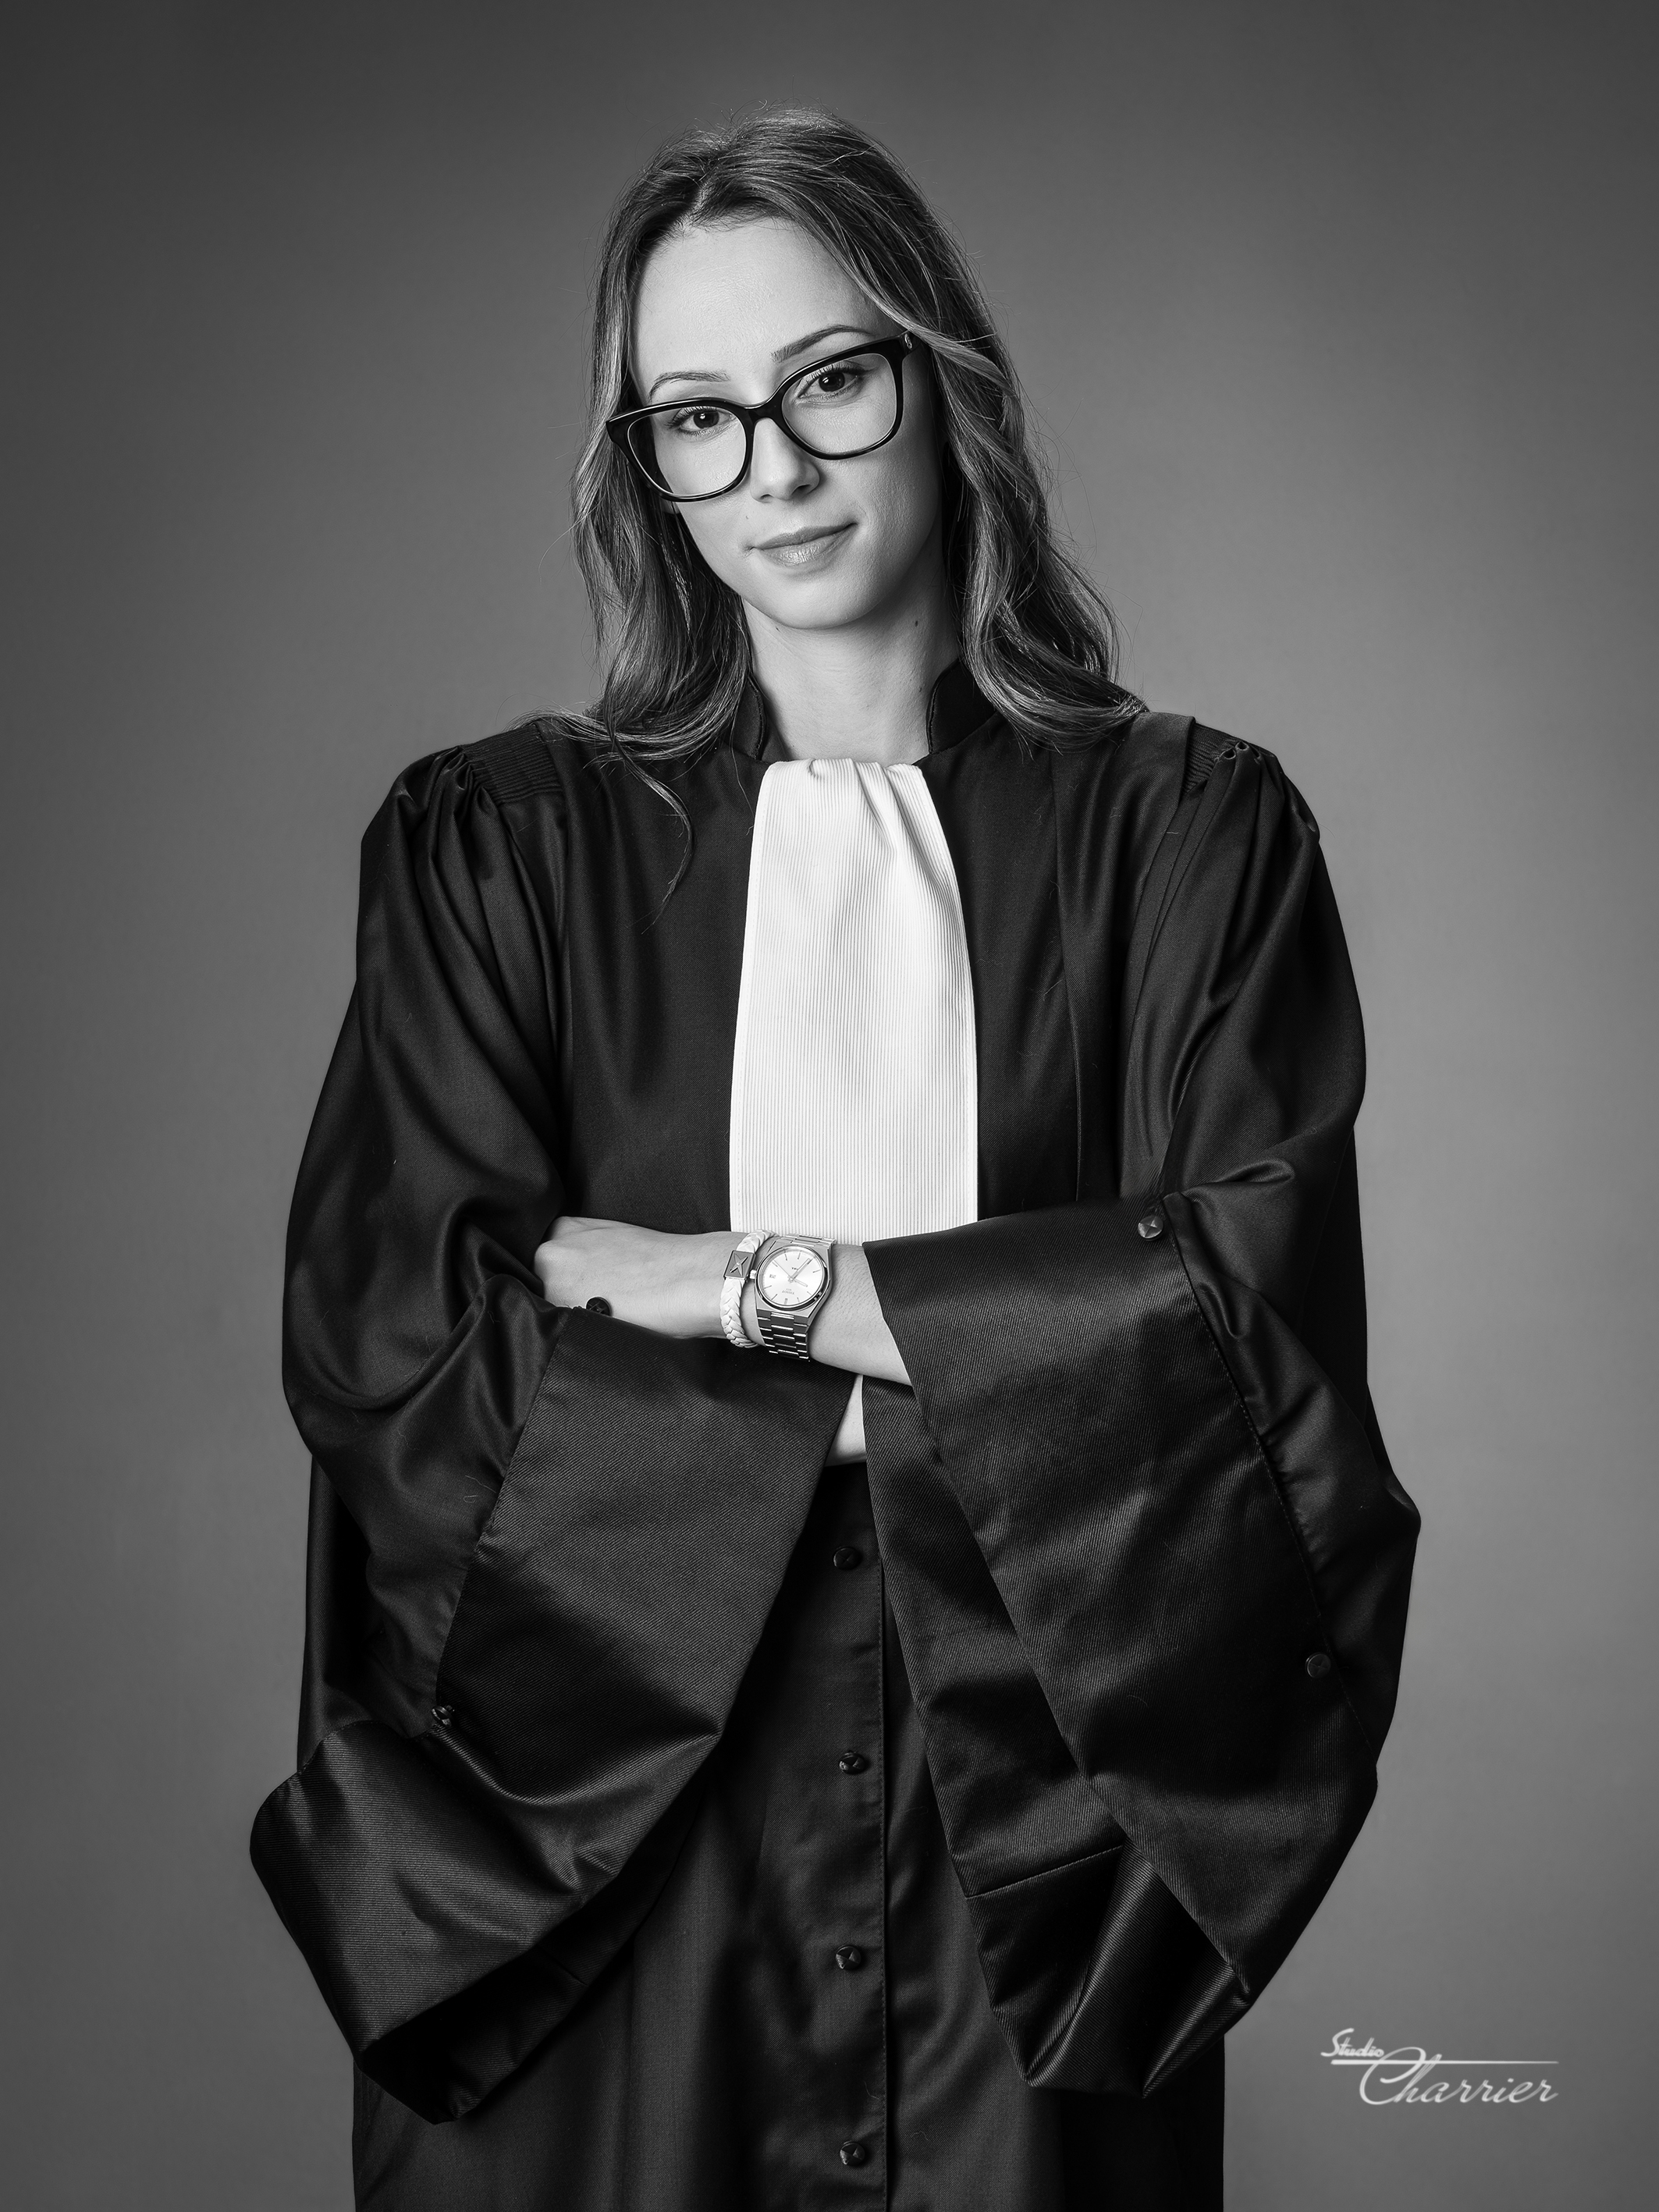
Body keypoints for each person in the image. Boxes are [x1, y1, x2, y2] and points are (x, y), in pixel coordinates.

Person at [251, 106, 1419, 2211]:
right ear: (643, 464)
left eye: (830, 381)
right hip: (597, 1845)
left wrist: (725, 1284)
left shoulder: (1193, 844)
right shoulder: (500, 851)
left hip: (1039, 1840)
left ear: (941, 379)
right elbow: (398, 1359)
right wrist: (1006, 1344)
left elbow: (1243, 1343)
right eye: (696, 416)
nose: (772, 469)